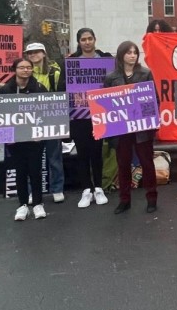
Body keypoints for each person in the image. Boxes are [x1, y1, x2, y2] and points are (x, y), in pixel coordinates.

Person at [104, 40, 159, 214]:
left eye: (135, 52)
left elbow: (154, 100)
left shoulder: (145, 73)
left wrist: (149, 121)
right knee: (123, 165)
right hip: (121, 131)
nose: (133, 55)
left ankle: (151, 198)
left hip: (142, 129)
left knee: (147, 163)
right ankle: (124, 200)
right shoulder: (111, 78)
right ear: (121, 55)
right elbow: (105, 105)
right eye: (129, 52)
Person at [67, 27, 112, 208]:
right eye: (83, 39)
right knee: (82, 153)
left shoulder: (106, 59)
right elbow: (64, 86)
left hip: (100, 113)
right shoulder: (71, 63)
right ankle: (86, 189)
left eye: (89, 38)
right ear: (79, 42)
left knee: (97, 151)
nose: (87, 42)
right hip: (79, 115)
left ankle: (99, 187)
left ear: (95, 39)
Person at [0, 58, 47, 221]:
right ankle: (22, 205)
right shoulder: (6, 90)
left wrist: (42, 132)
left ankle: (38, 203)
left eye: (28, 67)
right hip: (15, 140)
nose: (25, 70)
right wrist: (6, 137)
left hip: (35, 138)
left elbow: (48, 112)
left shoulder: (39, 88)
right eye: (22, 67)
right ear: (15, 69)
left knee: (35, 171)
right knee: (20, 172)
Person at [24, 42, 65, 203]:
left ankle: (57, 188)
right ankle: (32, 191)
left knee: (54, 156)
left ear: (43, 53)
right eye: (29, 53)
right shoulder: (25, 71)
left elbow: (61, 91)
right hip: (30, 120)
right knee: (31, 158)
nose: (33, 55)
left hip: (51, 118)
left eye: (36, 52)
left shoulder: (54, 72)